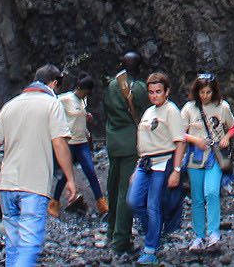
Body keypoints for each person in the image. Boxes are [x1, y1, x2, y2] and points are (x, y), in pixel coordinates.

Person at [0, 64, 79, 267]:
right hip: (33, 186)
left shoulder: (10, 105)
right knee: (29, 245)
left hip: (7, 186)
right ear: (53, 84)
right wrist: (70, 179)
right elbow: (59, 143)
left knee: (13, 245)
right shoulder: (52, 104)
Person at [128, 72, 186, 264]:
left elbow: (180, 142)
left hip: (163, 162)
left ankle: (151, 249)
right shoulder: (149, 112)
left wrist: (176, 171)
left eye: (158, 91)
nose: (154, 95)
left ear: (167, 91)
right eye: (151, 92)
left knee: (153, 205)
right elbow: (143, 142)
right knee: (134, 201)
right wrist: (137, 169)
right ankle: (155, 231)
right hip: (145, 163)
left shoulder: (172, 111)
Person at [180, 72, 234, 250]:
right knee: (196, 198)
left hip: (214, 154)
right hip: (195, 155)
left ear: (214, 92)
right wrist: (195, 140)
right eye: (201, 92)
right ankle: (198, 236)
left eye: (208, 92)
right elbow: (179, 132)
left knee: (211, 192)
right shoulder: (189, 108)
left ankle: (214, 232)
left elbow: (233, 126)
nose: (204, 96)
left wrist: (227, 137)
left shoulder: (223, 107)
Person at [104, 52, 144, 254]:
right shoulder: (140, 88)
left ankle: (111, 231)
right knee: (124, 191)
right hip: (131, 143)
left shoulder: (111, 85)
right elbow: (146, 115)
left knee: (112, 186)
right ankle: (121, 240)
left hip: (113, 142)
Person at [52, 75, 107, 217]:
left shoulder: (83, 101)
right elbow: (52, 107)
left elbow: (77, 115)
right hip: (69, 143)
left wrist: (85, 116)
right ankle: (54, 203)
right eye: (83, 91)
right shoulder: (65, 98)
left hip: (82, 142)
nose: (83, 94)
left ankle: (101, 204)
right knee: (65, 175)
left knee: (90, 172)